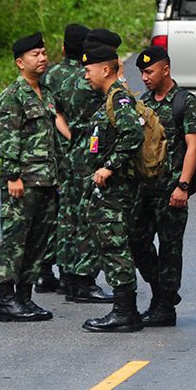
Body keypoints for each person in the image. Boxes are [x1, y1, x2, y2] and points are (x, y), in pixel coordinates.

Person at [131, 46, 196, 327]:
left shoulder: (185, 102)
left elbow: (193, 147)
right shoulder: (144, 102)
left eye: (149, 71)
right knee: (136, 240)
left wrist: (183, 186)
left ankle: (163, 307)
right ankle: (163, 291)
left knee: (170, 248)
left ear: (166, 69)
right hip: (145, 188)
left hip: (172, 189)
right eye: (142, 72)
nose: (145, 77)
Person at [0, 33, 61, 323]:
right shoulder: (12, 96)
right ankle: (7, 301)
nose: (43, 58)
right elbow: (8, 138)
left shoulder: (45, 94)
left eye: (44, 53)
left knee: (37, 242)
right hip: (23, 181)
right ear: (20, 62)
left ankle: (25, 297)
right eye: (35, 54)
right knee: (15, 240)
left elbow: (51, 140)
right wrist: (12, 176)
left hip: (45, 181)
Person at [45, 24, 114, 303]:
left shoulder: (66, 78)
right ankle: (85, 281)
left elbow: (54, 111)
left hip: (72, 154)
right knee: (89, 218)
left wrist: (72, 136)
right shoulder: (93, 83)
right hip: (93, 155)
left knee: (69, 216)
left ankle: (70, 278)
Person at [79, 41, 144, 332]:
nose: (85, 75)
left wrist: (110, 166)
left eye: (89, 69)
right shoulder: (109, 98)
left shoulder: (118, 98)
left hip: (116, 190)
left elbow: (133, 134)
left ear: (105, 69)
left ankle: (124, 311)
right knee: (111, 247)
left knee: (115, 248)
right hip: (108, 190)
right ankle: (124, 309)